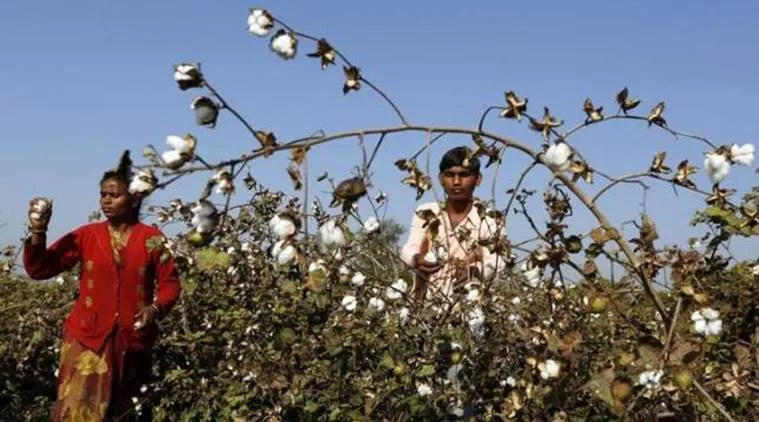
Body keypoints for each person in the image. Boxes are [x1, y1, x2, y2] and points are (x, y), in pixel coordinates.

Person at [24, 151, 181, 421]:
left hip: (131, 343)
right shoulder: (87, 235)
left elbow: (170, 283)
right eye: (103, 194)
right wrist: (38, 232)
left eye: (114, 195)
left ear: (134, 198)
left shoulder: (152, 239)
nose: (106, 200)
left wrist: (154, 308)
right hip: (86, 338)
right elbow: (40, 268)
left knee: (126, 412)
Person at [400, 146, 504, 301]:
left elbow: (498, 262)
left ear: (478, 179)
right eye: (450, 175)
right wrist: (416, 259)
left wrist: (476, 272)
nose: (456, 182)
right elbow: (409, 248)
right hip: (424, 308)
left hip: (469, 310)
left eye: (464, 175)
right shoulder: (427, 212)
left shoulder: (489, 219)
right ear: (441, 179)